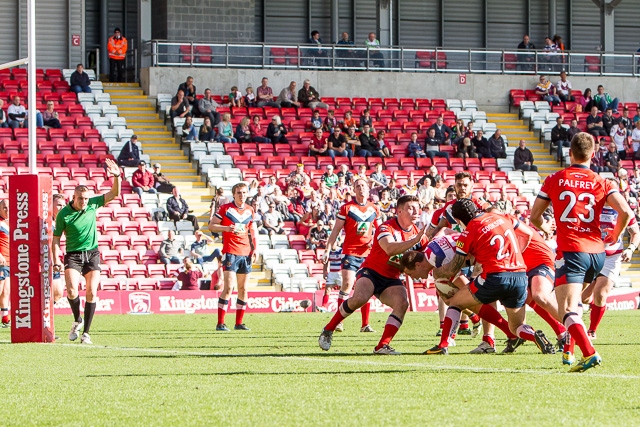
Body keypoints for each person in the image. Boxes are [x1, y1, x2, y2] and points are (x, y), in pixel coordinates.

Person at [530, 131, 633, 372]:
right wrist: (616, 235)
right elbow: (627, 212)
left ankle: (589, 353)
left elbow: (535, 216)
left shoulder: (556, 178)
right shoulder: (602, 181)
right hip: (597, 254)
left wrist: (545, 227)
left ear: (570, 153)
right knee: (575, 305)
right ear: (593, 154)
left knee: (566, 308)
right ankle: (569, 351)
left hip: (571, 250)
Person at [422, 199, 555, 355]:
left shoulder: (469, 231)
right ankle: (534, 335)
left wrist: (438, 272)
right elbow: (526, 234)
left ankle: (443, 345)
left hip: (495, 277)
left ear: (458, 220)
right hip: (519, 275)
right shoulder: (501, 217)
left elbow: (453, 268)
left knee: (456, 302)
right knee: (516, 326)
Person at [319, 195, 428, 354]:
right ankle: (329, 329)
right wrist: (415, 240)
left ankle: (382, 346)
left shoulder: (419, 235)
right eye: (411, 208)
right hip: (371, 272)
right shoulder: (386, 227)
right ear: (399, 211)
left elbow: (428, 256)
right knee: (360, 298)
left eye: (417, 208)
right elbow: (390, 248)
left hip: (391, 278)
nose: (416, 211)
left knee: (402, 304)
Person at [52, 159, 121, 344]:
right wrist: (56, 258)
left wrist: (117, 176)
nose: (84, 202)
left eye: (86, 199)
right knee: (73, 291)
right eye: (80, 199)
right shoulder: (63, 214)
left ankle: (86, 333)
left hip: (91, 253)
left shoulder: (92, 204)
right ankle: (77, 320)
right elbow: (56, 238)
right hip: (73, 255)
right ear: (74, 198)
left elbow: (115, 193)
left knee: (91, 292)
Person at [581, 191, 640, 339]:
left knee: (600, 294)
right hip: (591, 255)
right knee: (584, 298)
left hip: (611, 257)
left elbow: (635, 233)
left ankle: (592, 331)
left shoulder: (623, 210)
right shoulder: (592, 207)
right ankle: (588, 312)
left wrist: (631, 249)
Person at [208, 183, 258, 331]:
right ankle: (220, 323)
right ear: (234, 194)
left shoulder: (250, 210)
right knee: (229, 287)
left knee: (243, 288)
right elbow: (211, 226)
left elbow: (253, 231)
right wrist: (226, 228)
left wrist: (255, 249)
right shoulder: (225, 209)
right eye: (239, 193)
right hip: (230, 251)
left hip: (246, 252)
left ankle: (239, 323)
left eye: (244, 192)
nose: (242, 195)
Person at [319, 239, 343, 312]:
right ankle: (324, 306)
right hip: (332, 273)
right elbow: (326, 262)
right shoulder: (328, 251)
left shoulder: (341, 251)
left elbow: (345, 261)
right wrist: (324, 272)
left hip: (340, 274)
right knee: (327, 290)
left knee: (342, 292)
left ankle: (342, 308)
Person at [51, 194, 67, 307]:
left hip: (54, 261)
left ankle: (44, 317)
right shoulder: (46, 222)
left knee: (57, 293)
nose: (62, 208)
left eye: (64, 205)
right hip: (47, 261)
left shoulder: (59, 222)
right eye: (59, 205)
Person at [0, 200, 9, 327]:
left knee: (6, 291)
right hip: (1, 261)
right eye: (4, 207)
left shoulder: (8, 223)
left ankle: (5, 318)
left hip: (9, 261)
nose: (7, 210)